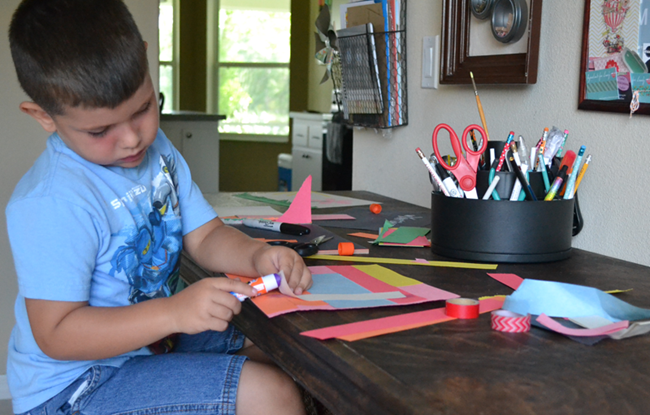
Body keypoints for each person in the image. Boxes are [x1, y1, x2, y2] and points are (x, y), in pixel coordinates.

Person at [5, 0, 312, 414]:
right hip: (76, 385)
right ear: (43, 116)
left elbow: (205, 235)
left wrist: (258, 255)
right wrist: (173, 312)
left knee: (289, 351)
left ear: (147, 60)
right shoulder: (52, 200)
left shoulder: (158, 151)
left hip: (150, 346)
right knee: (269, 394)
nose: (132, 139)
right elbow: (57, 333)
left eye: (144, 109)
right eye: (100, 130)